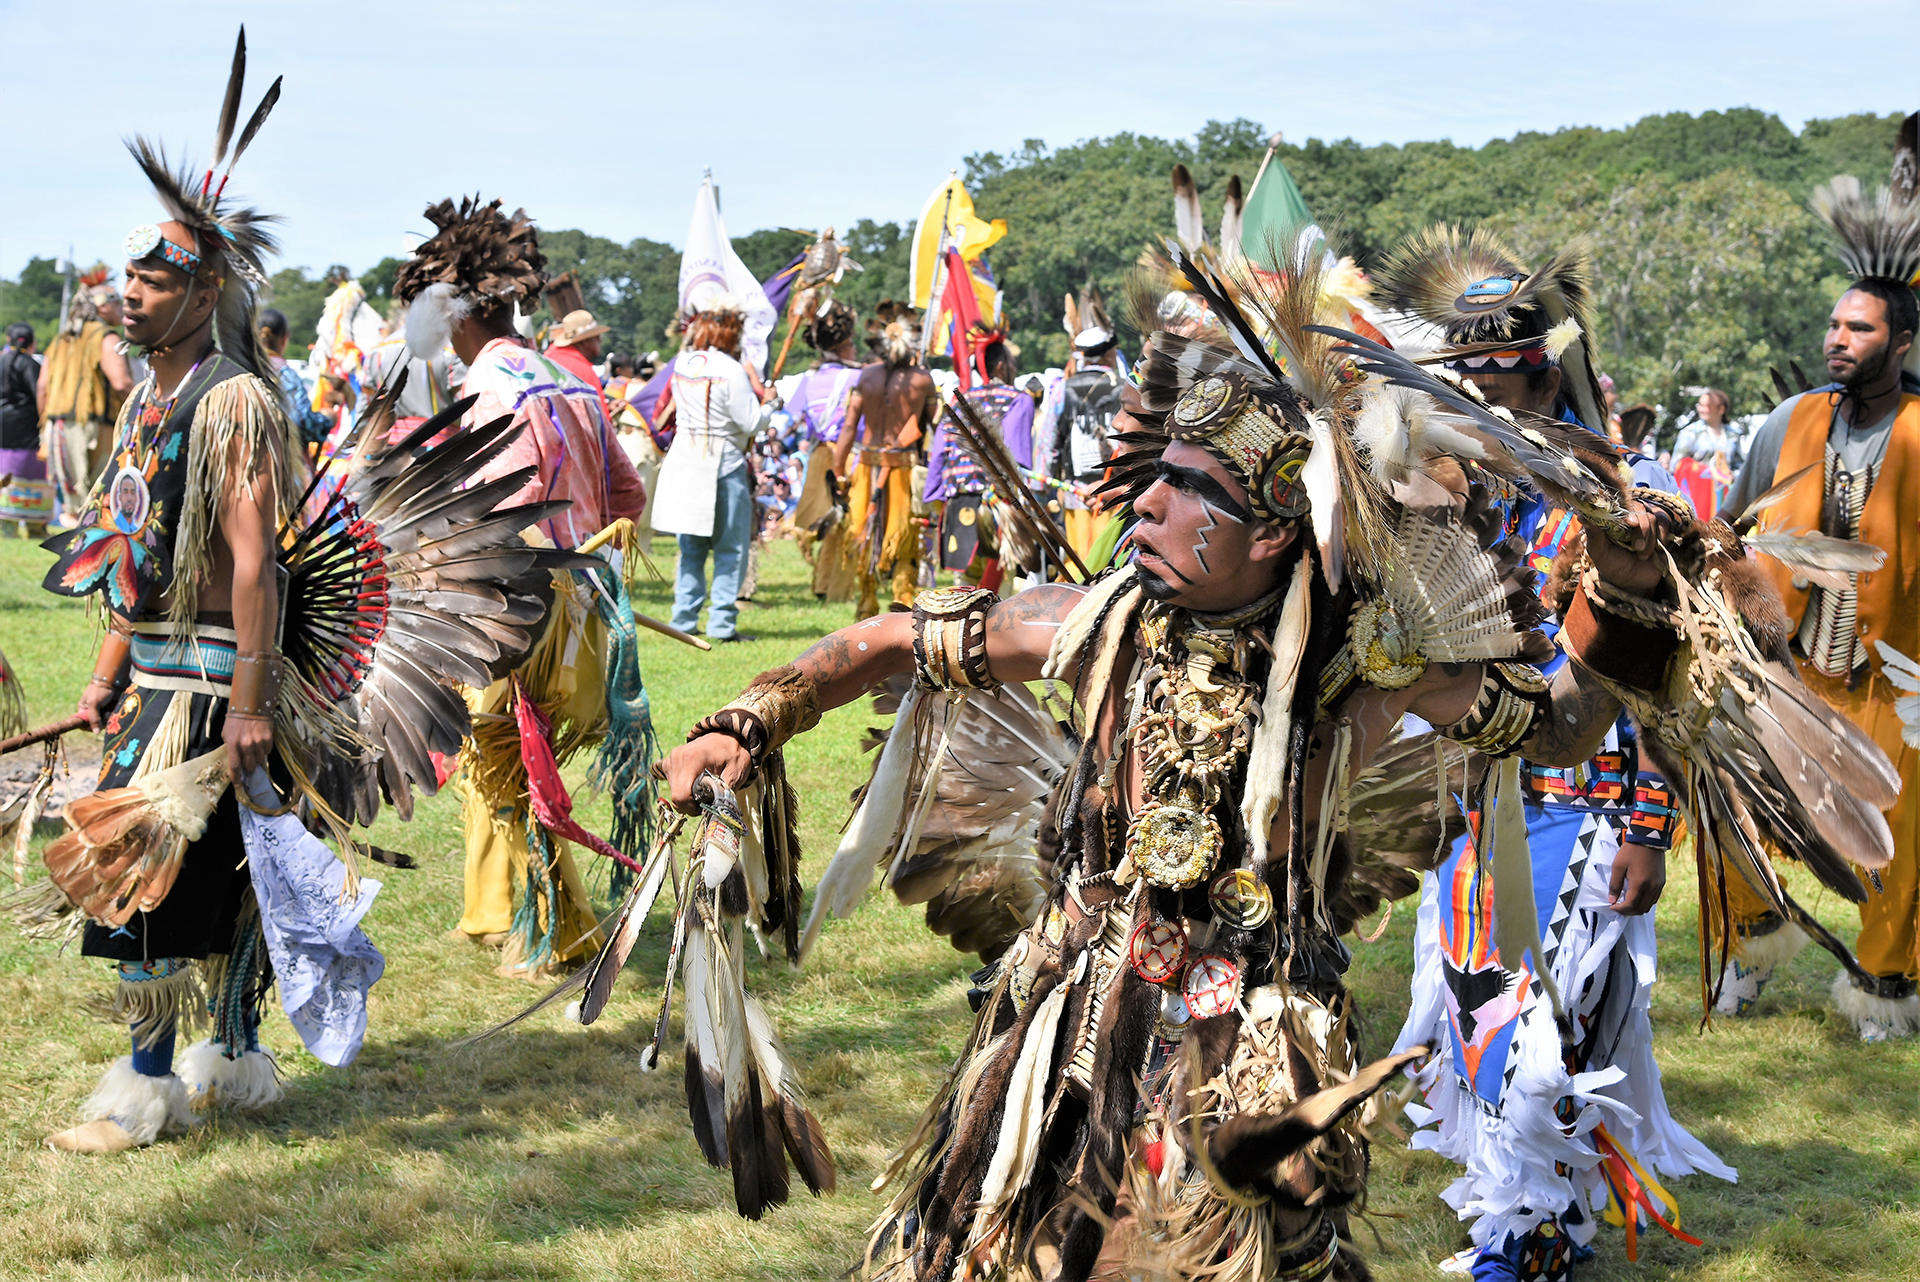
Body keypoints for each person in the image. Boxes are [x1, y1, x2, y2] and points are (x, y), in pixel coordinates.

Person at [652, 246, 1762, 1276]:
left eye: (1190, 490)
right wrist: (748, 720)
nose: (1146, 497)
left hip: (1253, 1035)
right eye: (1161, 474)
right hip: (1073, 1013)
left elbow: (1559, 726)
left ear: (1275, 530)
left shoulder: (1361, 670)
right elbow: (894, 638)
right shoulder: (1096, 622)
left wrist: (1626, 589)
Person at [1377, 226, 1732, 1280]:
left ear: (1544, 368)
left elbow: (1669, 685)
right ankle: (1526, 1214)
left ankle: (1533, 1232)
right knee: (1485, 1004)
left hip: (1584, 802)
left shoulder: (1623, 492)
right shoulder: (1436, 485)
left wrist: (1647, 824)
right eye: (1465, 372)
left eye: (1505, 370)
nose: (1488, 391)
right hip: (1470, 793)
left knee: (1556, 1016)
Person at [37, 90, 310, 1153]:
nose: (129, 293)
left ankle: (151, 1085)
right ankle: (232, 1062)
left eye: (153, 278)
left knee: (146, 877)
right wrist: (108, 664)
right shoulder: (153, 398)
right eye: (129, 276)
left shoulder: (230, 397)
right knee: (205, 872)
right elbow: (136, 554)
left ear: (205, 289)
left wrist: (249, 699)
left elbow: (253, 562)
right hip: (154, 668)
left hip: (204, 683)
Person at [393, 195, 648, 974]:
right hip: (584, 604)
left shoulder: (492, 391)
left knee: (506, 756)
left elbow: (498, 521)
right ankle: (492, 909)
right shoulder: (564, 376)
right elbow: (629, 498)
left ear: (451, 308)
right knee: (491, 748)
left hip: (522, 605)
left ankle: (556, 931)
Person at [1712, 145, 1920, 1040]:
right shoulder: (1790, 420)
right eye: (1834, 326)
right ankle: (1751, 947)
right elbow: (1730, 522)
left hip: (1892, 678)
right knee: (1737, 807)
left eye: (1860, 329)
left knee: (1891, 840)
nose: (1838, 340)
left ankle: (1883, 988)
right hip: (1785, 668)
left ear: (1902, 342)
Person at [652, 290, 764, 641]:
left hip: (686, 460)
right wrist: (770, 407)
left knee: (692, 549)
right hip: (725, 463)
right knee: (730, 549)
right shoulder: (731, 369)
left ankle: (683, 619)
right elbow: (750, 422)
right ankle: (721, 625)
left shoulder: (683, 362)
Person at [832, 301, 938, 619]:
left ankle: (867, 604)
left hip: (866, 466)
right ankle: (902, 603)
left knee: (865, 532)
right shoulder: (922, 380)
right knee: (902, 537)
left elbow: (849, 427)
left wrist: (838, 472)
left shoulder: (865, 378)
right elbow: (939, 427)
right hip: (903, 470)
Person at [922, 336, 1035, 583]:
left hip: (958, 497)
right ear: (1001, 366)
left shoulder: (961, 400)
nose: (1014, 369)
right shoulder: (1019, 399)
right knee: (1000, 579)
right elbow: (1017, 457)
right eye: (1012, 363)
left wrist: (932, 496)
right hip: (997, 500)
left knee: (965, 581)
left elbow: (939, 451)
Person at [37, 271, 136, 523]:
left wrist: (45, 427)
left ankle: (72, 550)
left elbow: (42, 387)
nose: (123, 307)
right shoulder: (107, 337)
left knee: (73, 503)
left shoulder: (60, 339)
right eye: (117, 302)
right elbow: (123, 383)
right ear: (102, 306)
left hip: (58, 427)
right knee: (99, 498)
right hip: (95, 429)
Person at [785, 301, 865, 600]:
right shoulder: (857, 378)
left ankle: (821, 584)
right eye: (852, 345)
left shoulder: (808, 379)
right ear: (842, 348)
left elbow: (797, 415)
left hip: (819, 455)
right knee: (848, 522)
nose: (855, 350)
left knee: (830, 520)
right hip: (848, 454)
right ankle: (839, 589)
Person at [257, 308, 338, 449]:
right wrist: (328, 418)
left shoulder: (240, 371)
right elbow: (304, 424)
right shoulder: (285, 375)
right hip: (279, 463)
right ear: (284, 339)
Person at [0, 323, 54, 533]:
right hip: (27, 428)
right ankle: (34, 526)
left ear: (8, 340)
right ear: (32, 343)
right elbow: (40, 392)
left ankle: (6, 525)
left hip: (3, 426)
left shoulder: (2, 361)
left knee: (4, 469)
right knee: (31, 473)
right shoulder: (31, 364)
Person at [1668, 388, 1745, 516]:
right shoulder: (1690, 433)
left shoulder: (1733, 435)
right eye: (1700, 405)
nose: (1701, 409)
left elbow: (1741, 466)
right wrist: (1707, 473)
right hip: (1697, 498)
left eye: (1707, 406)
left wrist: (1733, 476)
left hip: (1725, 498)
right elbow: (1676, 465)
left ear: (1721, 409)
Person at [543, 307, 614, 427]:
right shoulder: (582, 369)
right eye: (596, 337)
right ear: (584, 341)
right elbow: (602, 422)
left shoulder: (548, 357)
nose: (600, 341)